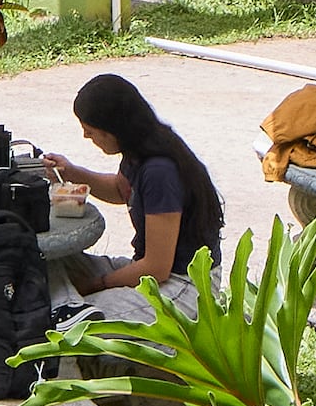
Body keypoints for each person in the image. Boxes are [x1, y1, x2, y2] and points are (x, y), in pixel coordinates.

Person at [49, 70, 221, 293]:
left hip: (182, 283)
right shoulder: (139, 148)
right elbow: (121, 190)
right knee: (52, 266)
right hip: (150, 269)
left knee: (78, 317)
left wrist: (97, 285)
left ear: (112, 130)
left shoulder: (160, 172)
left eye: (90, 131)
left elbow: (156, 267)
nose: (86, 137)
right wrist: (71, 172)